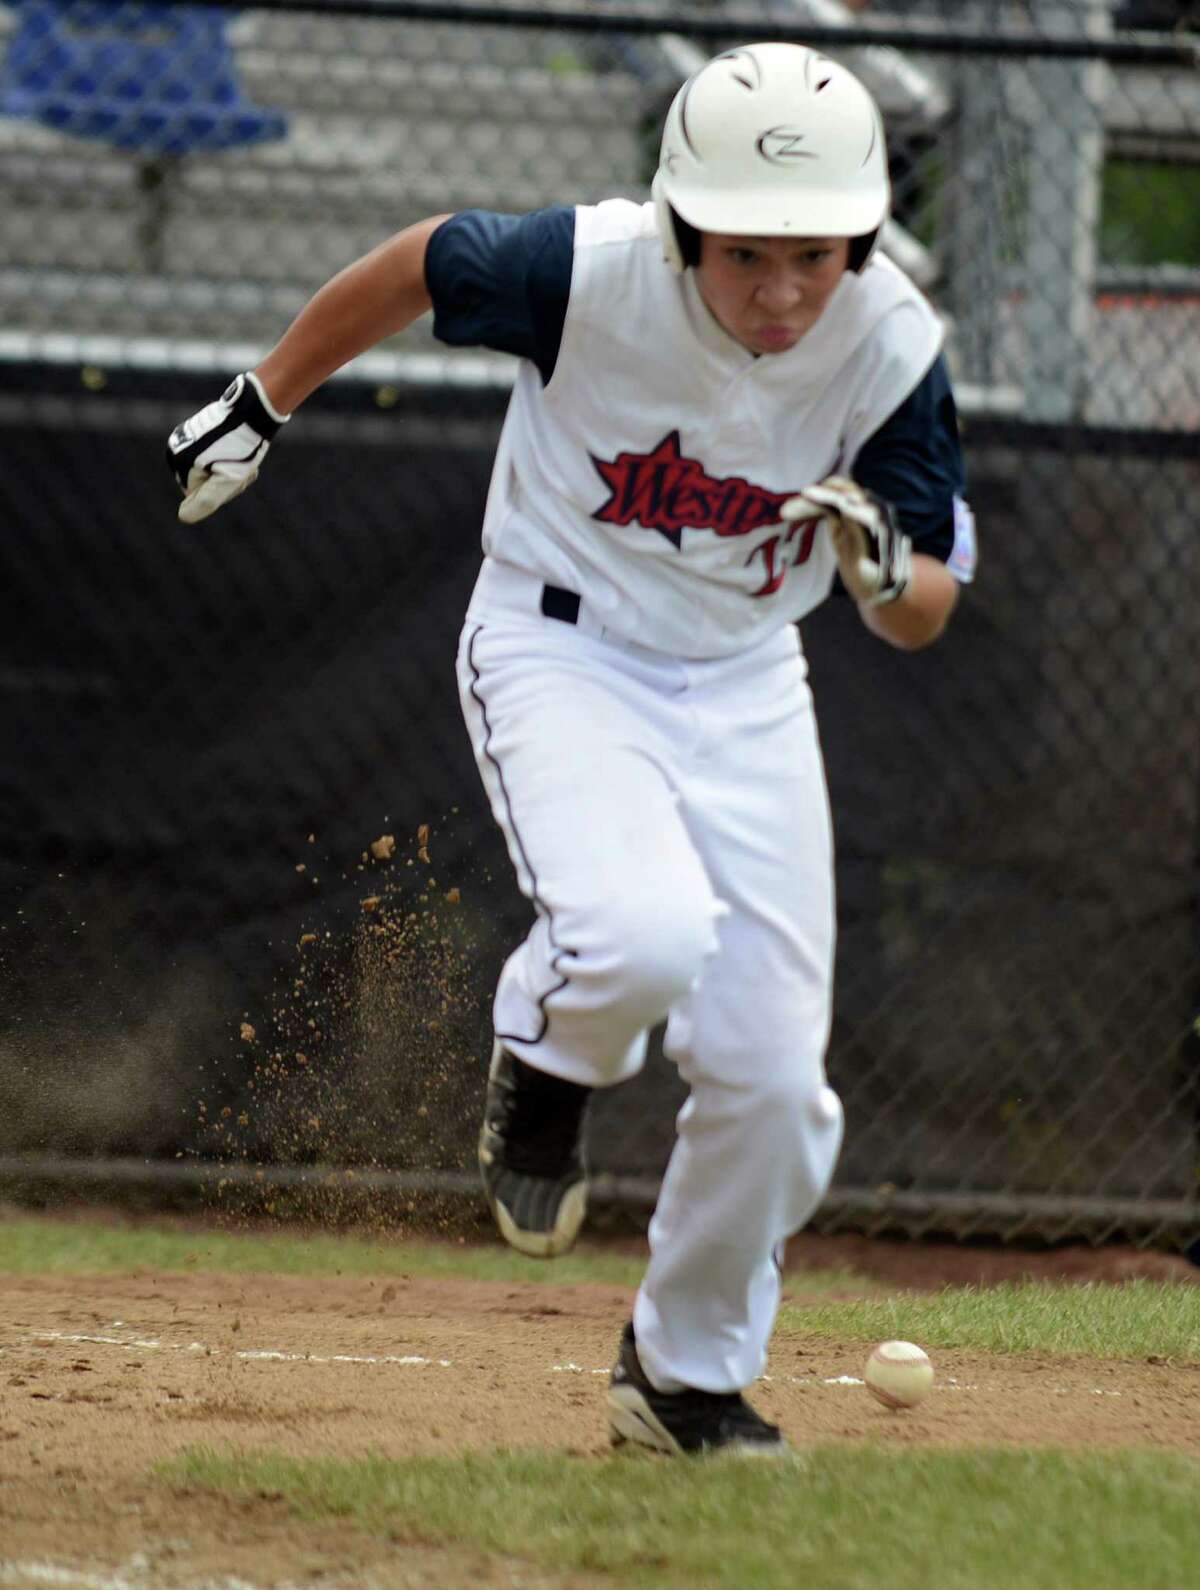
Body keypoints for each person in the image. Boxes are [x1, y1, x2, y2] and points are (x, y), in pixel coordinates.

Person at [167, 41, 976, 1457]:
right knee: (637, 936)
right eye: (745, 255)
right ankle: (540, 1071)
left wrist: (876, 568)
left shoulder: (894, 343)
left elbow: (926, 611)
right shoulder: (586, 269)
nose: (783, 293)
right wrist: (264, 399)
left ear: (857, 240)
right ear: (681, 228)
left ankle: (681, 1380)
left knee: (779, 1081)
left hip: (744, 676)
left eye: (817, 255)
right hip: (562, 641)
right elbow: (421, 261)